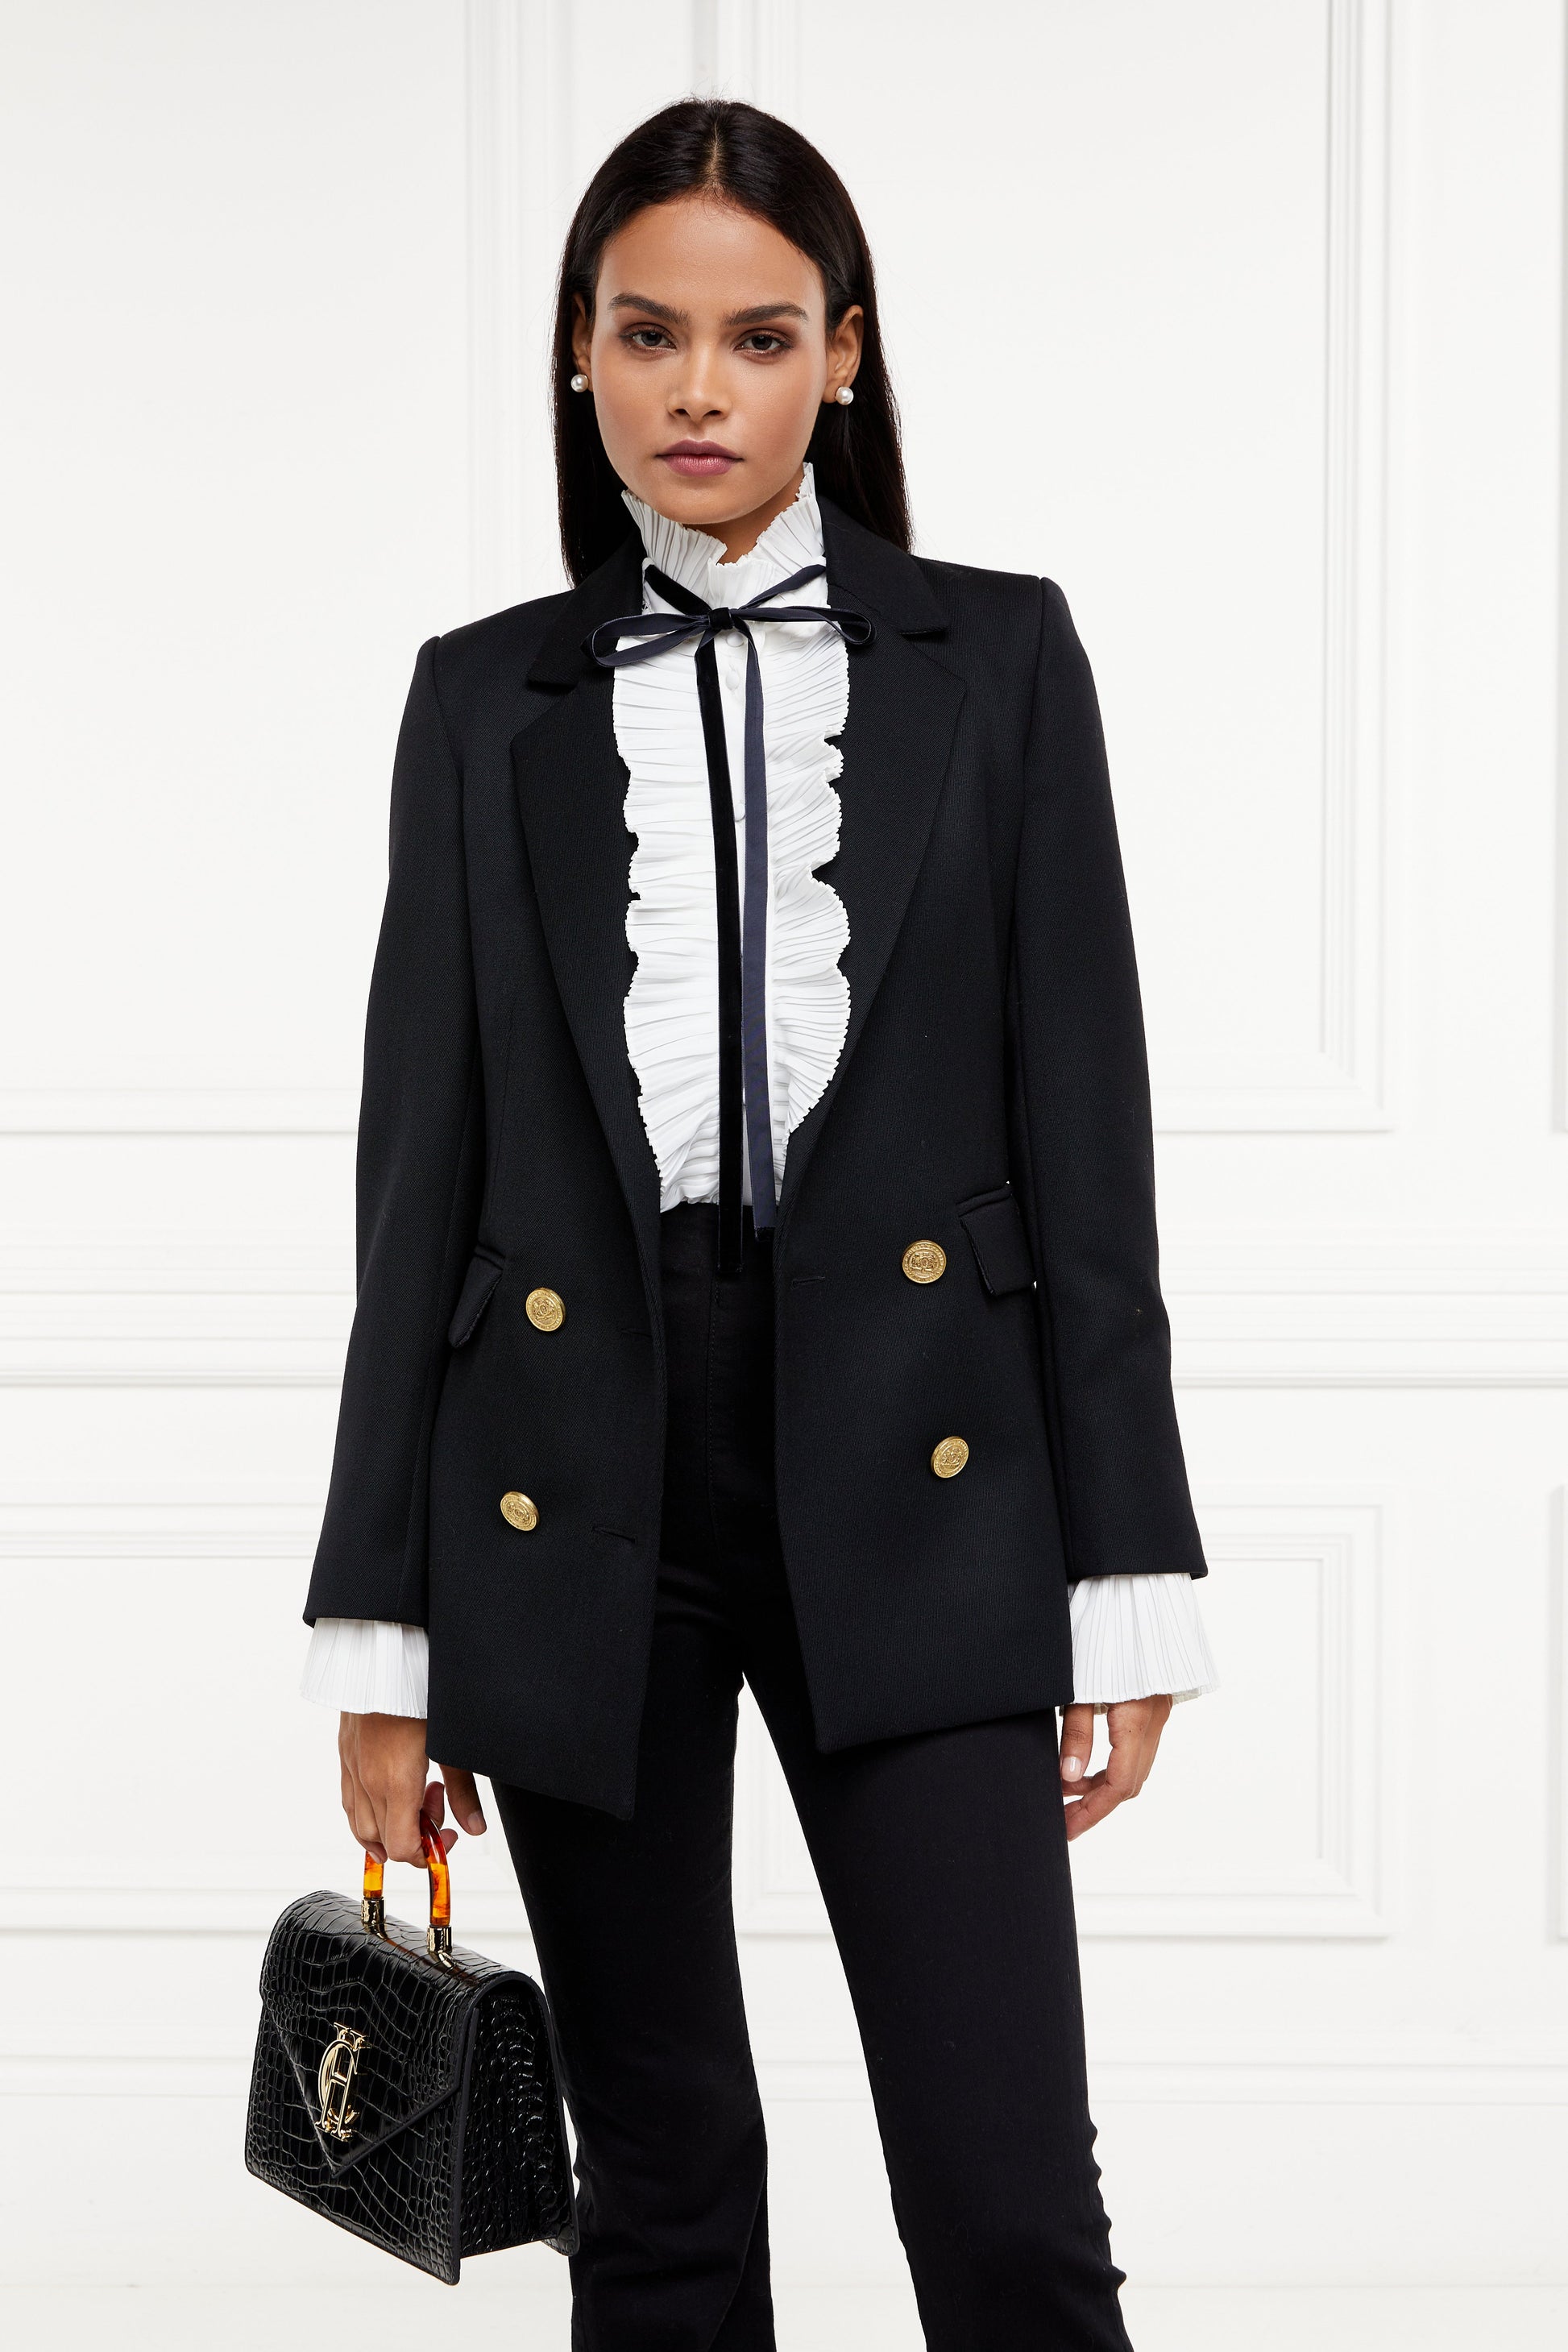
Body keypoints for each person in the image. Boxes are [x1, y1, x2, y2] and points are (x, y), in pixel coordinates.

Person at [299, 96, 1217, 2351]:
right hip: (572, 1481)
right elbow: (417, 1188)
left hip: (925, 1463)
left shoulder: (1000, 659)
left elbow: (1085, 1139)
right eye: (647, 334)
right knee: (665, 2194)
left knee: (1007, 2199)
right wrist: (381, 1638)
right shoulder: (480, 698)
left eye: (757, 336)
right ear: (579, 354)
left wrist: (1127, 1570)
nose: (697, 389)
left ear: (845, 354)